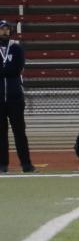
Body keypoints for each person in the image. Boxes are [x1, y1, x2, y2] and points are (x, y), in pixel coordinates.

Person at [0, 20, 33, 173]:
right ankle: (2, 165)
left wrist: (4, 69)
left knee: (19, 132)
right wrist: (7, 69)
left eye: (7, 29)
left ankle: (26, 164)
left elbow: (17, 68)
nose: (5, 32)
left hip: (15, 97)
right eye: (2, 29)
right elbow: (10, 69)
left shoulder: (17, 48)